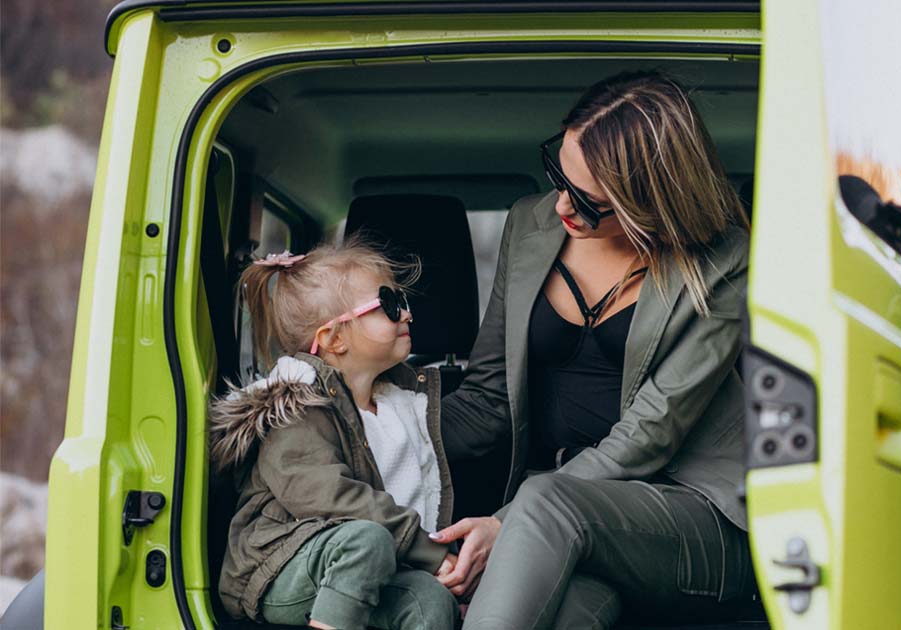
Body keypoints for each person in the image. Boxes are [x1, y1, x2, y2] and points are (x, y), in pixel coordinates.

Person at [433, 69, 757, 629]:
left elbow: (649, 434)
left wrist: (505, 524)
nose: (561, 205)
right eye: (558, 172)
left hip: (695, 517)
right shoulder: (528, 223)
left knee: (544, 501)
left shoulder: (726, 261)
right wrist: (365, 418)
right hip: (569, 526)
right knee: (567, 612)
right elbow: (489, 396)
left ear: (650, 201)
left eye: (586, 201)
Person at [209, 239, 458, 630]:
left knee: (430, 600)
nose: (406, 313)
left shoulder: (399, 405)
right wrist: (428, 549)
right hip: (277, 566)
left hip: (364, 563)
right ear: (334, 339)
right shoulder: (295, 409)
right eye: (389, 305)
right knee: (368, 541)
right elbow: (333, 499)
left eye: (403, 301)